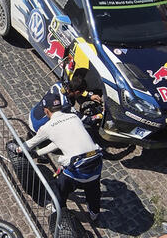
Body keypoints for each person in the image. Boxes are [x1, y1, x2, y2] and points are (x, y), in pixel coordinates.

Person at [17, 91, 104, 222]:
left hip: (77, 169)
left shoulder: (48, 127)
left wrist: (17, 149)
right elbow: (58, 141)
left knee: (58, 187)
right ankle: (94, 213)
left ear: (46, 110)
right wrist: (38, 153)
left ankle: (59, 211)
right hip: (95, 161)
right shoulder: (73, 117)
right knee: (93, 189)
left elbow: (28, 145)